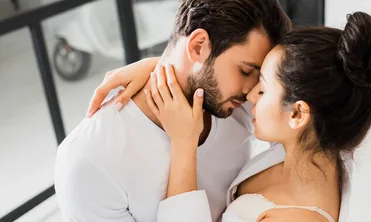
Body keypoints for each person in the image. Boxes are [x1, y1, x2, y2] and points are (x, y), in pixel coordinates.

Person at [91, 12, 371, 221]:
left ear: (298, 114)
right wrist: (165, 67)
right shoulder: (321, 139)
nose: (250, 96)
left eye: (262, 89)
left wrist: (183, 143)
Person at [54, 0, 291, 221]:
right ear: (198, 46)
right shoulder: (88, 162)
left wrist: (160, 65)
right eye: (245, 71)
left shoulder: (241, 102)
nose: (252, 90)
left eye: (259, 76)